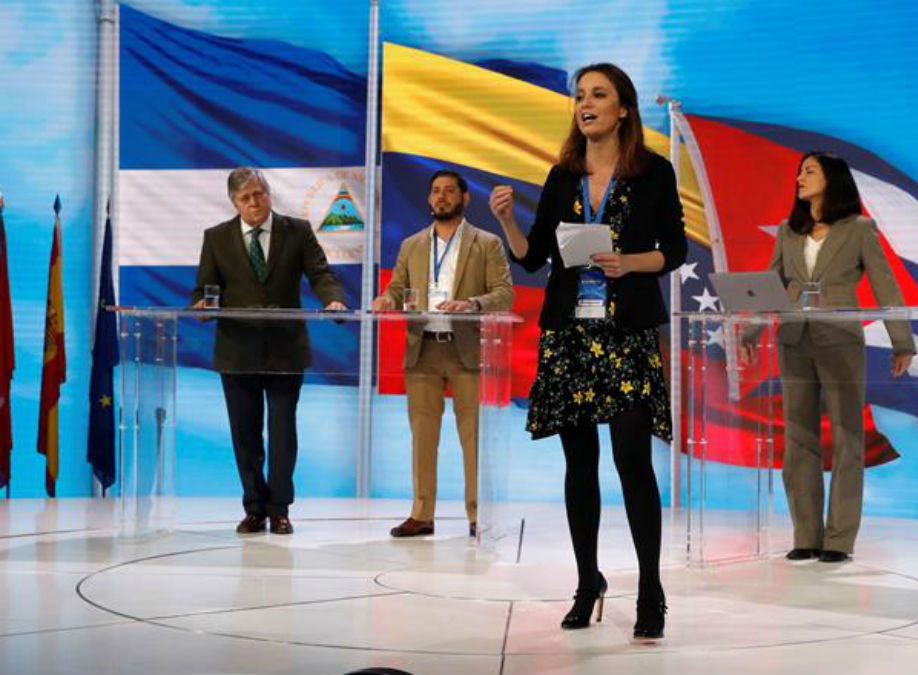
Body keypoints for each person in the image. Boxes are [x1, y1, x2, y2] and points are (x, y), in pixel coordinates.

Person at [488, 63, 686, 640]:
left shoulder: (653, 172)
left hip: (624, 333)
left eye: (598, 94)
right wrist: (506, 221)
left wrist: (629, 262)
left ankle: (651, 588)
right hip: (571, 333)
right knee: (580, 465)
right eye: (579, 96)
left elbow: (672, 250)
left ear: (623, 108)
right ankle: (587, 580)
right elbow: (532, 258)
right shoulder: (561, 175)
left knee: (631, 458)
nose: (585, 103)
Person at [746, 152, 915, 563]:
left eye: (809, 171)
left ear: (832, 179)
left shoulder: (859, 229)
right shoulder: (788, 231)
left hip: (840, 339)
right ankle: (806, 534)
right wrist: (750, 328)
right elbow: (771, 284)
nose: (798, 177)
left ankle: (840, 539)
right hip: (793, 339)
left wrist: (902, 341)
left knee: (847, 437)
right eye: (798, 172)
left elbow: (885, 284)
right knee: (799, 437)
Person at [191, 167, 347, 535]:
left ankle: (280, 509)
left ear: (268, 193)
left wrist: (334, 301)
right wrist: (200, 304)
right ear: (234, 202)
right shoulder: (216, 237)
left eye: (259, 194)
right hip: (236, 352)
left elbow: (321, 274)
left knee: (281, 433)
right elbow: (203, 288)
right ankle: (254, 507)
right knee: (245, 436)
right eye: (245, 198)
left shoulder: (297, 230)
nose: (254, 202)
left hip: (284, 351)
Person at [372, 169, 514, 539]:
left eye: (449, 191)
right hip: (422, 349)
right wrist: (386, 299)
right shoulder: (412, 245)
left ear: (465, 199)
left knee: (472, 438)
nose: (441, 197)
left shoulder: (487, 243)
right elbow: (397, 289)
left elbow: (504, 294)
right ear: (428, 199)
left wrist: (471, 303)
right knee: (422, 437)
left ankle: (475, 515)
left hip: (468, 348)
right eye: (435, 191)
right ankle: (421, 514)